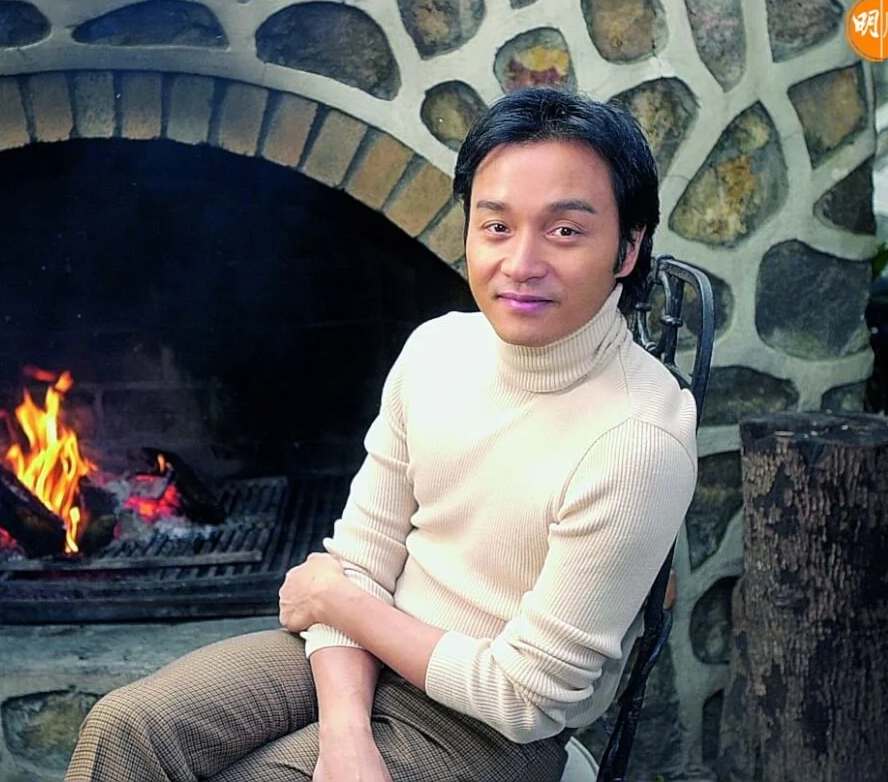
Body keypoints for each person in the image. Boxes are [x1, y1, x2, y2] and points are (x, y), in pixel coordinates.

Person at [64, 86, 699, 782]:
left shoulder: (637, 440)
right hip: (355, 655)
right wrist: (346, 733)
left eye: (565, 231)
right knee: (124, 729)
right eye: (496, 226)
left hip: (486, 728)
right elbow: (358, 562)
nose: (520, 263)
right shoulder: (436, 351)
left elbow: (525, 699)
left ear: (628, 247)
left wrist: (340, 603)